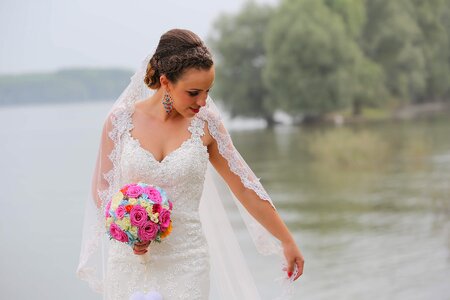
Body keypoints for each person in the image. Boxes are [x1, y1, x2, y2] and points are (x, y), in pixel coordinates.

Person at [77, 28, 304, 300]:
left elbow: (245, 186)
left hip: (187, 262)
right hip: (129, 261)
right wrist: (129, 230)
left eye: (208, 91)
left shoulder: (207, 125)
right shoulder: (120, 121)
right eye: (194, 92)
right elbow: (103, 189)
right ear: (166, 82)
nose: (203, 101)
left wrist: (286, 239)